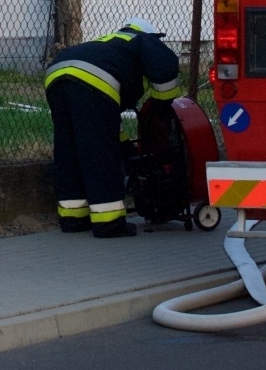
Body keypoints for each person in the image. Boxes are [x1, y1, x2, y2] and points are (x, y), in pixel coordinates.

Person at [44, 18, 182, 237]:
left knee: (68, 148)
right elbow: (166, 69)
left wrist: (126, 145)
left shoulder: (111, 45)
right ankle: (108, 223)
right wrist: (160, 104)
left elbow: (105, 121)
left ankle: (73, 219)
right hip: (94, 80)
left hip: (56, 75)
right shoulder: (145, 40)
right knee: (100, 154)